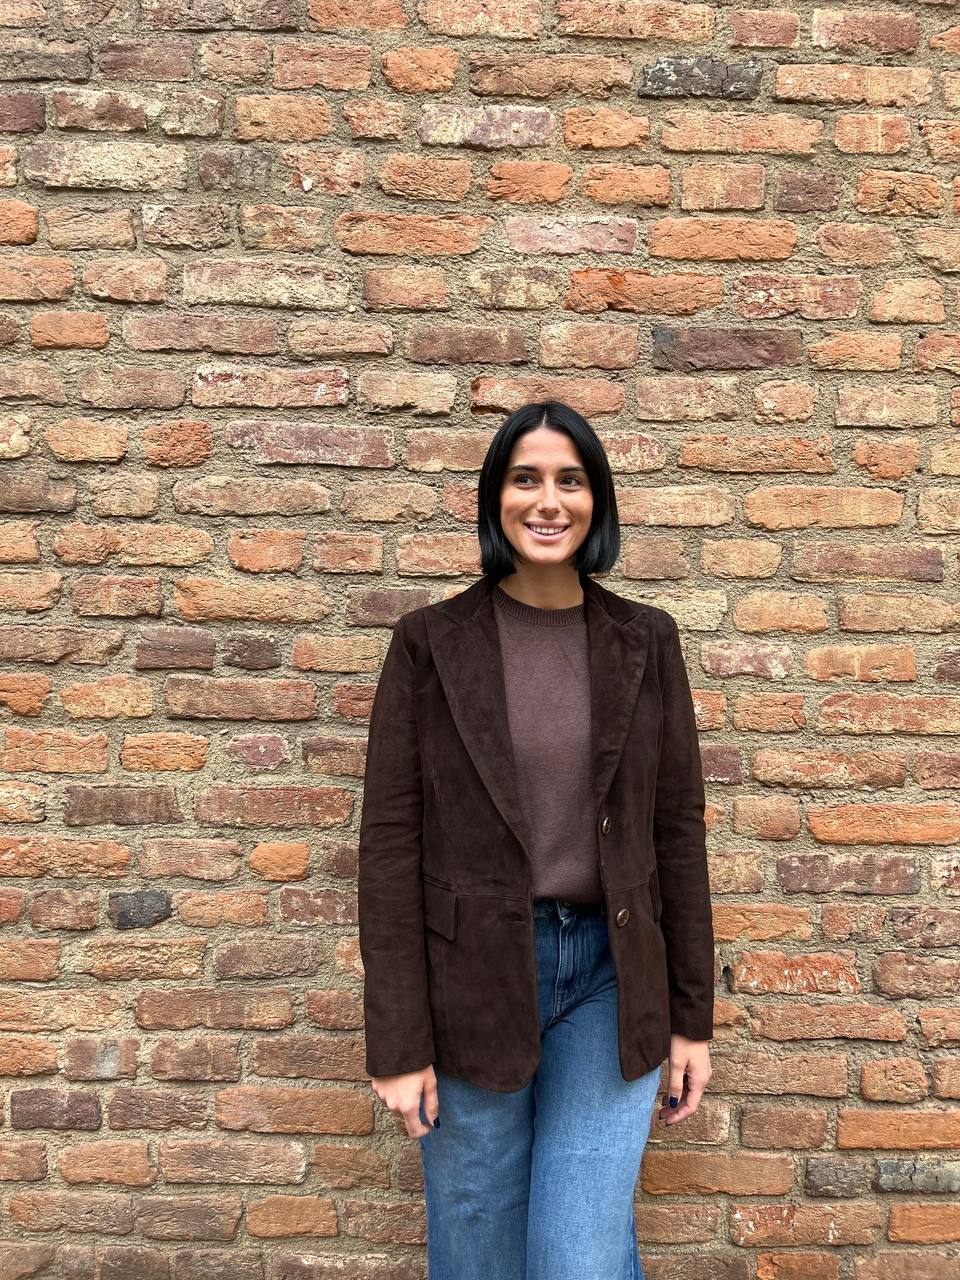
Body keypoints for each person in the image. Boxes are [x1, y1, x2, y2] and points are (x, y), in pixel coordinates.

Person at [357, 401, 715, 1280]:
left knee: (576, 1259)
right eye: (525, 479)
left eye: (570, 480)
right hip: (471, 978)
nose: (547, 501)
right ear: (496, 497)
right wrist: (398, 1043)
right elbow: (390, 846)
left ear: (597, 501)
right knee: (477, 1253)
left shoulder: (646, 641)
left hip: (609, 976)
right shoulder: (429, 646)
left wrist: (691, 1019)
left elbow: (677, 830)